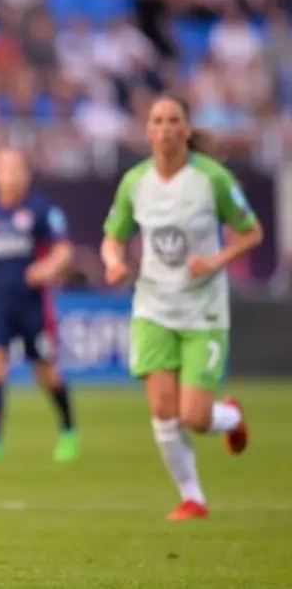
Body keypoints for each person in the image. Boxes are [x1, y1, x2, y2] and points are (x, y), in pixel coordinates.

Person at [101, 95, 261, 521]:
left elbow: (251, 232)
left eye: (174, 120)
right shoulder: (135, 182)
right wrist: (114, 262)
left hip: (202, 310)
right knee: (162, 410)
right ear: (148, 130)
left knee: (195, 416)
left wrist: (216, 260)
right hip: (153, 307)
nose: (165, 128)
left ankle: (230, 416)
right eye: (157, 120)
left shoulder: (211, 179)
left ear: (186, 130)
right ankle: (193, 498)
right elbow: (113, 236)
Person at [0, 147, 79, 462]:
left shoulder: (42, 210)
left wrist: (48, 268)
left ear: (27, 174)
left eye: (16, 168)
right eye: (5, 168)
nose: (11, 174)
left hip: (33, 303)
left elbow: (64, 250)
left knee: (45, 371)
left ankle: (68, 430)